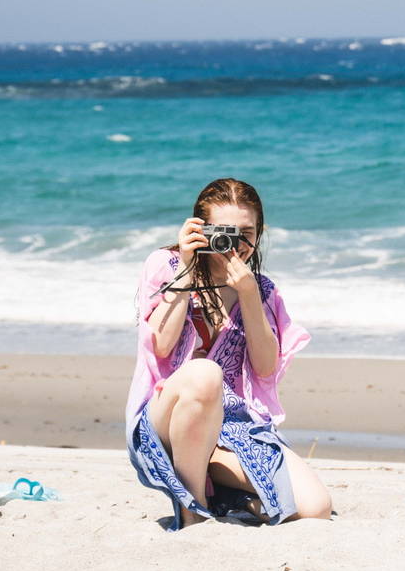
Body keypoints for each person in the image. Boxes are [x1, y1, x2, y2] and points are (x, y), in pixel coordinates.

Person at [124, 178, 332, 530]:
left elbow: (265, 368)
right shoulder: (167, 265)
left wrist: (249, 295)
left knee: (315, 508)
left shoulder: (261, 290)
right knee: (205, 373)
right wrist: (187, 268)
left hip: (231, 426)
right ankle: (193, 508)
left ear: (260, 233)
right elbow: (161, 346)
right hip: (165, 420)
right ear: (201, 230)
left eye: (246, 233)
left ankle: (228, 496)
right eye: (224, 232)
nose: (235, 243)